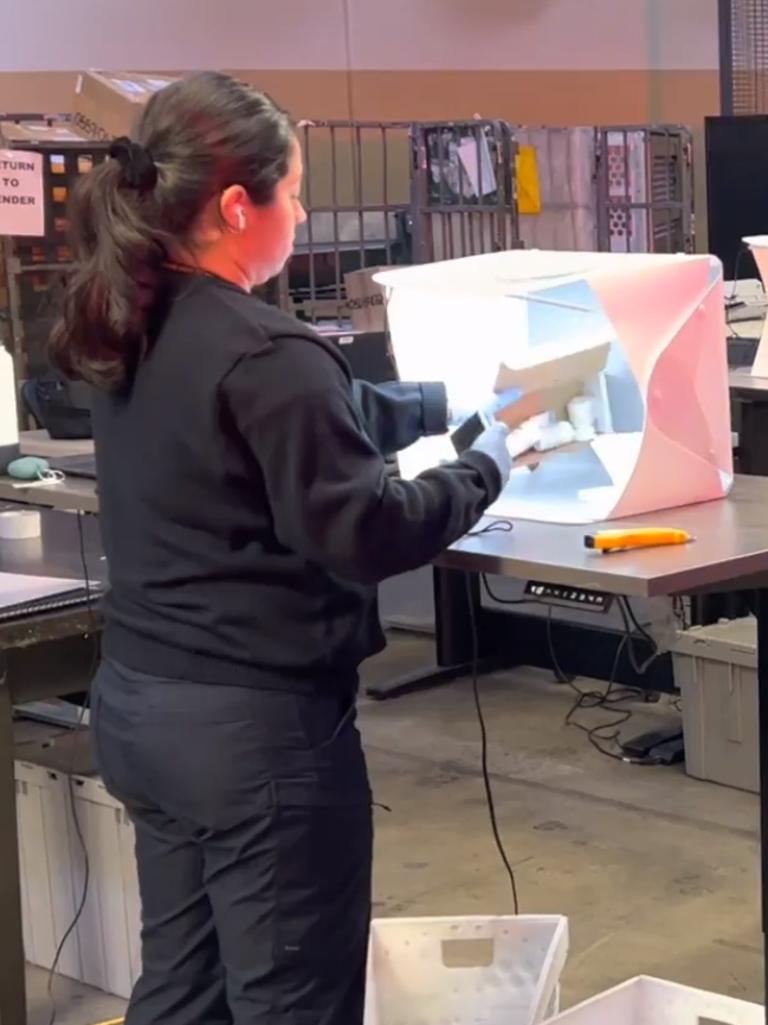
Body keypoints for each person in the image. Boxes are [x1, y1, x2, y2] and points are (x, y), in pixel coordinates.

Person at [50, 72, 543, 1025]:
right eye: (298, 190)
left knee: (183, 995)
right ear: (240, 206)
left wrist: (451, 403)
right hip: (255, 744)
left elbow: (318, 413)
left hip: (144, 713)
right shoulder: (267, 348)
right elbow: (366, 529)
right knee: (293, 1003)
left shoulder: (133, 321)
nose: (307, 210)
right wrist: (485, 469)